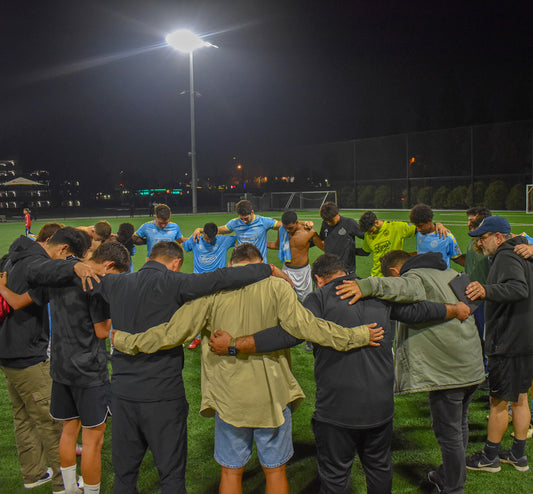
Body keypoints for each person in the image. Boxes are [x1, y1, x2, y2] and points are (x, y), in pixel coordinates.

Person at [110, 243, 383, 494]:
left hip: (228, 397)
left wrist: (124, 340)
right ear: (259, 262)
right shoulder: (277, 287)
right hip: (272, 395)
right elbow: (309, 328)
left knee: (230, 472)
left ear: (231, 265)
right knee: (275, 471)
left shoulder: (210, 291)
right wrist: (357, 335)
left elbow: (171, 334)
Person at [209, 253, 469, 494]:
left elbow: (288, 333)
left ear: (319, 279)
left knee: (335, 476)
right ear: (344, 272)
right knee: (379, 468)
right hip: (380, 407)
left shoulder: (318, 298)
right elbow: (419, 311)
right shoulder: (377, 293)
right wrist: (454, 309)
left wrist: (233, 345)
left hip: (336, 410)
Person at [85, 241, 284, 493]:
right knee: (170, 476)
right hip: (163, 395)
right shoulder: (175, 282)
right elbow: (222, 277)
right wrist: (266, 269)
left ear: (149, 258)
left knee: (124, 476)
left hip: (123, 395)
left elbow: (82, 286)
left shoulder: (114, 283)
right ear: (176, 263)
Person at [337, 250, 485, 494]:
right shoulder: (450, 272)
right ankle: (448, 474)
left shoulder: (415, 277)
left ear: (395, 272)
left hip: (448, 371)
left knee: (449, 434)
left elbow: (404, 288)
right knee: (460, 425)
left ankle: (453, 487)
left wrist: (364, 286)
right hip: (471, 363)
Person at [15, 242, 130, 494]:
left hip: (61, 366)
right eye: (116, 276)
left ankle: (68, 489)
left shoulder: (61, 274)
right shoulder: (95, 283)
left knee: (68, 431)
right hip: (89, 371)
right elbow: (101, 331)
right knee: (93, 440)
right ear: (109, 265)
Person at [0, 227, 90, 493]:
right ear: (63, 250)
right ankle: (64, 484)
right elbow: (46, 272)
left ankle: (34, 473)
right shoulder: (36, 263)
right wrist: (75, 269)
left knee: (23, 418)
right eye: (69, 258)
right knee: (51, 422)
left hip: (8, 351)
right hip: (27, 354)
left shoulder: (13, 256)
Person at [464, 216, 533, 473]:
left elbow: (518, 288)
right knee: (521, 398)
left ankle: (490, 457)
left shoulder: (506, 256)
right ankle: (518, 454)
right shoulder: (524, 251)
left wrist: (486, 290)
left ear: (499, 237)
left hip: (508, 339)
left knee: (499, 401)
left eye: (483, 238)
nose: (480, 244)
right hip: (525, 337)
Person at [181, 222, 236, 349]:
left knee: (218, 312)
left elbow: (241, 237)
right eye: (207, 237)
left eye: (212, 238)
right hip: (199, 282)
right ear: (203, 233)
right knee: (196, 312)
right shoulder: (195, 239)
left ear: (217, 233)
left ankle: (218, 335)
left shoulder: (223, 240)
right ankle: (196, 338)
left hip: (218, 283)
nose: (209, 240)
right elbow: (182, 248)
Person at [192, 200, 281, 263]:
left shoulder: (263, 221)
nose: (244, 221)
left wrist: (277, 243)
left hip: (259, 264)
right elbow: (218, 230)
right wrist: (200, 229)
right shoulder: (234, 223)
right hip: (241, 264)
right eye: (241, 218)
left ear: (252, 212)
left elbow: (282, 226)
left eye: (246, 218)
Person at [267, 210, 324, 302]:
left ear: (297, 222)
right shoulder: (282, 230)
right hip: (287, 270)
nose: (287, 230)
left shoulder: (309, 232)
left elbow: (323, 247)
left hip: (303, 273)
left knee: (308, 302)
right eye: (285, 228)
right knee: (284, 300)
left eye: (290, 228)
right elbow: (277, 246)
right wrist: (260, 243)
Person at [318, 202, 366, 274]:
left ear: (337, 213)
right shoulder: (325, 224)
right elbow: (321, 239)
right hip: (330, 267)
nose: (328, 223)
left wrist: (359, 251)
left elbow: (365, 236)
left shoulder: (349, 223)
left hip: (346, 269)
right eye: (326, 221)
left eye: (331, 220)